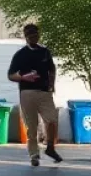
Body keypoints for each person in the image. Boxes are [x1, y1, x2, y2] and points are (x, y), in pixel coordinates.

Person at [8, 24, 62, 167]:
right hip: (27, 93)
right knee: (31, 126)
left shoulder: (45, 52)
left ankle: (50, 148)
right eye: (31, 35)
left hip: (45, 93)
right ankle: (34, 154)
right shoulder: (20, 55)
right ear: (26, 37)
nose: (34, 37)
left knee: (52, 120)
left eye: (36, 35)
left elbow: (52, 68)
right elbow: (11, 75)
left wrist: (52, 84)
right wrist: (24, 77)